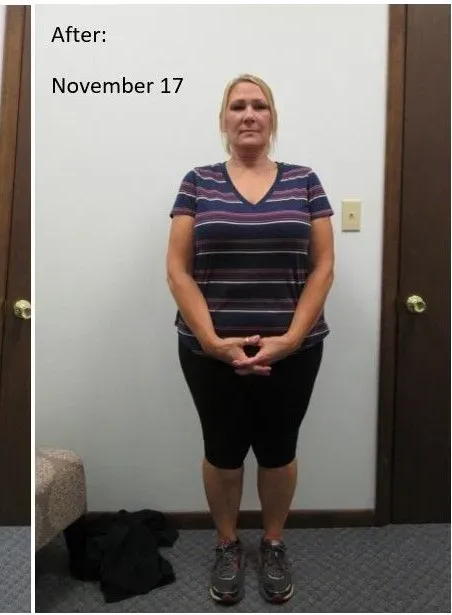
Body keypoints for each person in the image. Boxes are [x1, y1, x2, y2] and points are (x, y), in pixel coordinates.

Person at [165, 74, 334, 605]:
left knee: (279, 450)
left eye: (259, 105)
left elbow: (324, 267)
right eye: (237, 105)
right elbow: (177, 269)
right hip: (208, 351)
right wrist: (214, 341)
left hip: (295, 351)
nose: (249, 113)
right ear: (224, 119)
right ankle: (227, 543)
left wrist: (291, 338)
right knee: (223, 451)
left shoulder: (305, 180)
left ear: (272, 118)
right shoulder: (198, 181)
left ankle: (274, 542)